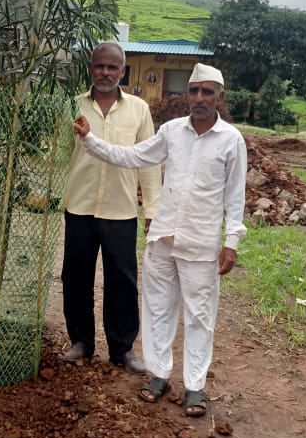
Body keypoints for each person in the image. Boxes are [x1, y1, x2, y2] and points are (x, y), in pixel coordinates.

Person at [72, 62, 246, 416]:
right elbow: (133, 156)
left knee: (199, 316)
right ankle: (159, 375)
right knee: (158, 309)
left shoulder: (231, 140)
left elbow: (235, 196)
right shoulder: (172, 132)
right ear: (187, 94)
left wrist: (232, 241)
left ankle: (195, 387)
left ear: (219, 97)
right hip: (164, 238)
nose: (199, 98)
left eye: (207, 92)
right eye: (194, 91)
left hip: (201, 243)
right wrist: (90, 140)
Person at [61, 41, 162, 373]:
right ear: (90, 68)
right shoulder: (73, 105)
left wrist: (152, 209)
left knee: (122, 281)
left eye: (112, 67)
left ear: (122, 71)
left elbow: (149, 161)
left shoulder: (138, 109)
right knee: (76, 277)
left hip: (121, 210)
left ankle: (122, 349)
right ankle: (81, 342)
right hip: (80, 206)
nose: (105, 72)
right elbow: (59, 154)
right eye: (99, 66)